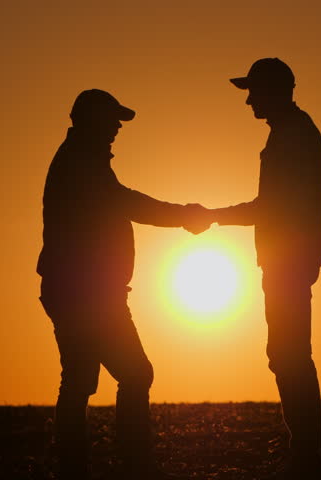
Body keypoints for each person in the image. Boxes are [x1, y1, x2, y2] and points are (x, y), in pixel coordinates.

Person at [36, 89, 209, 480]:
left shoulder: (83, 160)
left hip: (80, 289)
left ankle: (85, 467)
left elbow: (121, 202)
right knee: (130, 374)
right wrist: (185, 215)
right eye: (111, 119)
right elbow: (127, 203)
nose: (117, 127)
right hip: (88, 293)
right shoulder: (81, 164)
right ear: (90, 119)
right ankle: (132, 464)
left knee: (81, 379)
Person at [211, 58, 321, 479]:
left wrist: (215, 215)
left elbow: (273, 206)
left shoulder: (292, 137)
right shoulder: (292, 134)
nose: (248, 101)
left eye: (253, 91)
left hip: (289, 258)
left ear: (275, 91)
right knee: (287, 353)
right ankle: (304, 454)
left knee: (290, 353)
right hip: (289, 256)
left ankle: (305, 457)